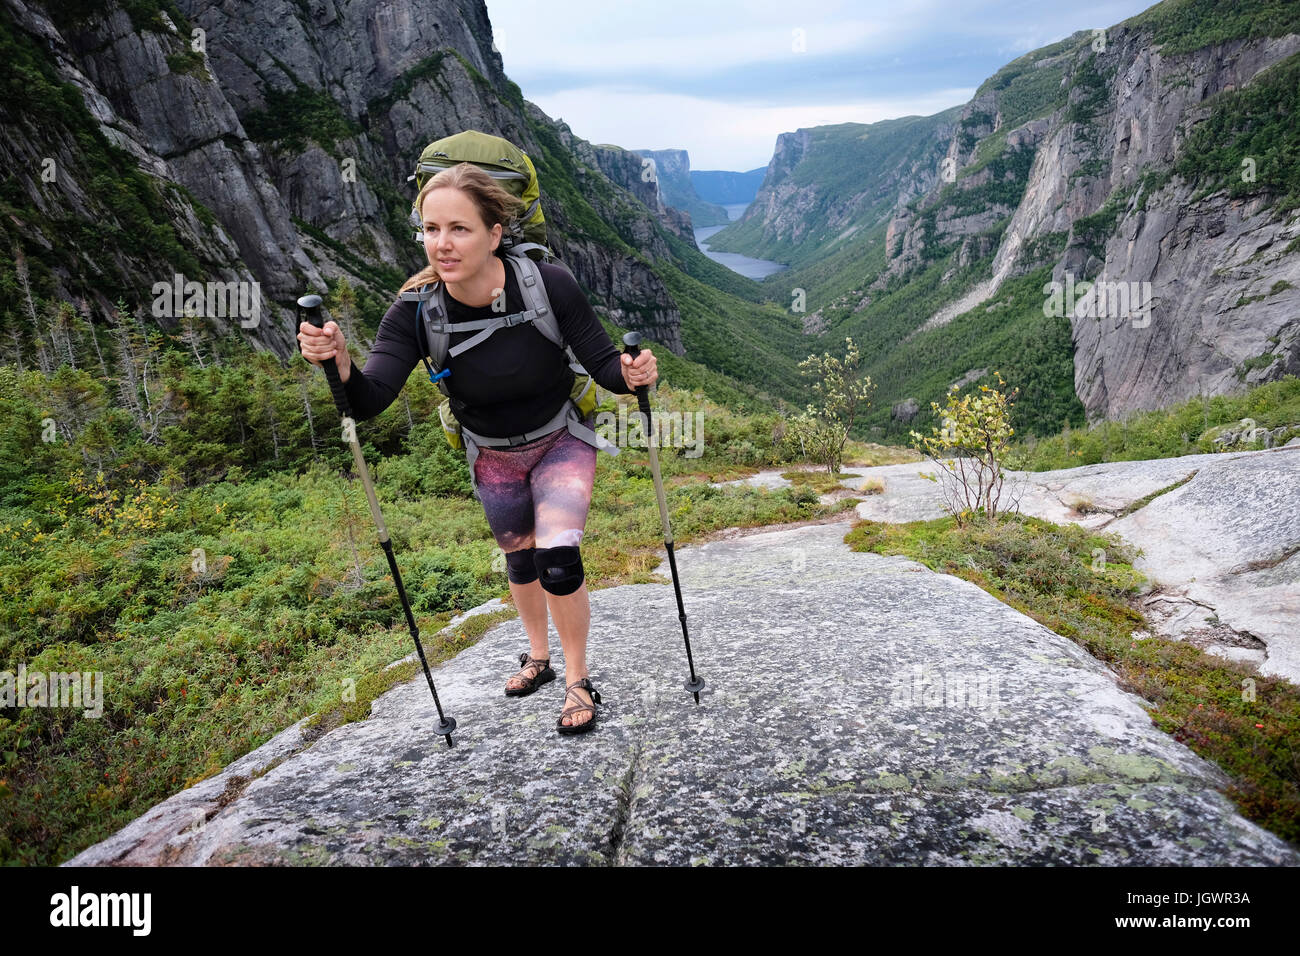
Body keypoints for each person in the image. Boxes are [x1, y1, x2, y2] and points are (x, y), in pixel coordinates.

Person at [297, 162, 657, 735]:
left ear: (495, 232)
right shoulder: (414, 312)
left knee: (557, 559)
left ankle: (577, 678)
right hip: (491, 454)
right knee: (519, 559)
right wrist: (338, 363)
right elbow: (368, 400)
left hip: (560, 439)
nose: (442, 243)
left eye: (459, 228)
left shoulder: (548, 284)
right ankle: (537, 657)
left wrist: (634, 371)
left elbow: (606, 368)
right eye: (431, 228)